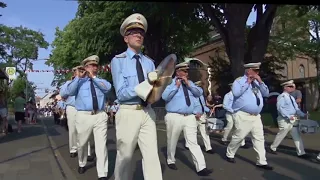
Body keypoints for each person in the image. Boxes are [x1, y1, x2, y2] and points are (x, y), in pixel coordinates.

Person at [111, 13, 162, 180]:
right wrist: (146, 83)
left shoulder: (149, 62)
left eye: (141, 32)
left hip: (148, 111)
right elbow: (121, 93)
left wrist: (164, 83)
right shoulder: (118, 61)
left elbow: (155, 92)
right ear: (126, 38)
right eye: (134, 32)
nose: (139, 35)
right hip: (128, 112)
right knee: (125, 156)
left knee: (152, 155)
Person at [64, 55, 112, 179]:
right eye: (91, 65)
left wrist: (94, 78)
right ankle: (82, 162)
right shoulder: (79, 82)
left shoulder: (100, 81)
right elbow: (69, 92)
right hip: (83, 116)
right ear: (85, 67)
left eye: (96, 65)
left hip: (100, 115)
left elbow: (108, 88)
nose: (94, 68)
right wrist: (77, 77)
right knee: (82, 143)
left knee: (101, 145)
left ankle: (102, 173)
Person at [162, 62, 213, 176]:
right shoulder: (170, 83)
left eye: (187, 71)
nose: (186, 73)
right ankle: (171, 159)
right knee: (172, 140)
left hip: (189, 116)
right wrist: (176, 86)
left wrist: (189, 85)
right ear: (178, 72)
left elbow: (199, 93)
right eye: (184, 71)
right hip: (174, 116)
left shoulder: (190, 83)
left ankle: (201, 167)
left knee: (193, 142)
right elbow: (165, 96)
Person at [225, 62, 273, 170]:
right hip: (243, 115)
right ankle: (230, 153)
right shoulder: (239, 81)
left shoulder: (257, 82)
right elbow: (236, 93)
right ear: (248, 71)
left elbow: (266, 93)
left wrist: (260, 81)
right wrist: (247, 82)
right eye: (255, 71)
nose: (257, 73)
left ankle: (261, 161)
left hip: (256, 116)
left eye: (258, 71)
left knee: (259, 138)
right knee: (239, 136)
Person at [267, 80, 310, 159]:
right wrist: (287, 116)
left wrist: (303, 114)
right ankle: (272, 147)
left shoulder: (291, 97)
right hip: (284, 119)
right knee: (282, 133)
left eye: (292, 86)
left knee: (297, 135)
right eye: (290, 86)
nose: (292, 88)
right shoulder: (282, 96)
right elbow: (280, 108)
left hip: (293, 119)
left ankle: (301, 152)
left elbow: (296, 108)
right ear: (285, 88)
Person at [60, 65, 94, 161]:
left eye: (82, 70)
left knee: (86, 130)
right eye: (77, 71)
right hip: (72, 107)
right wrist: (76, 80)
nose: (79, 72)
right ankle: (73, 149)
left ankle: (87, 152)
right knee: (73, 130)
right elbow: (63, 94)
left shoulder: (86, 82)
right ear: (74, 72)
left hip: (83, 108)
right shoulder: (68, 83)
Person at [184, 81, 214, 154]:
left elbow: (202, 105)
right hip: (194, 115)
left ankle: (208, 147)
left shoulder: (201, 95)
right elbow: (189, 105)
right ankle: (188, 144)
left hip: (202, 115)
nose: (200, 88)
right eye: (198, 87)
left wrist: (208, 110)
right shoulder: (190, 95)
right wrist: (195, 113)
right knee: (192, 131)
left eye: (200, 87)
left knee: (205, 131)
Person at [221, 83, 246, 147]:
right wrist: (232, 110)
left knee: (239, 127)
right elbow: (225, 105)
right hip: (230, 113)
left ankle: (242, 143)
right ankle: (224, 139)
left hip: (237, 113)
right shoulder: (228, 95)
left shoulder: (239, 95)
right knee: (230, 125)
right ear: (231, 87)